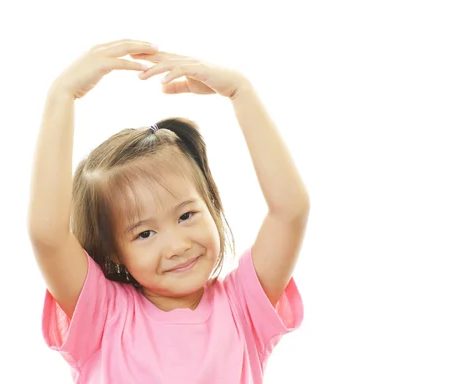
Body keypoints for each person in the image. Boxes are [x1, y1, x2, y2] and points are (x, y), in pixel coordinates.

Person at [27, 39, 310, 384]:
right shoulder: (105, 315)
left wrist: (242, 93)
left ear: (212, 205)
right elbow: (49, 235)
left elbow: (290, 211)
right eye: (145, 233)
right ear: (114, 251)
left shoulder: (243, 306)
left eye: (186, 215)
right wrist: (61, 95)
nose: (177, 245)